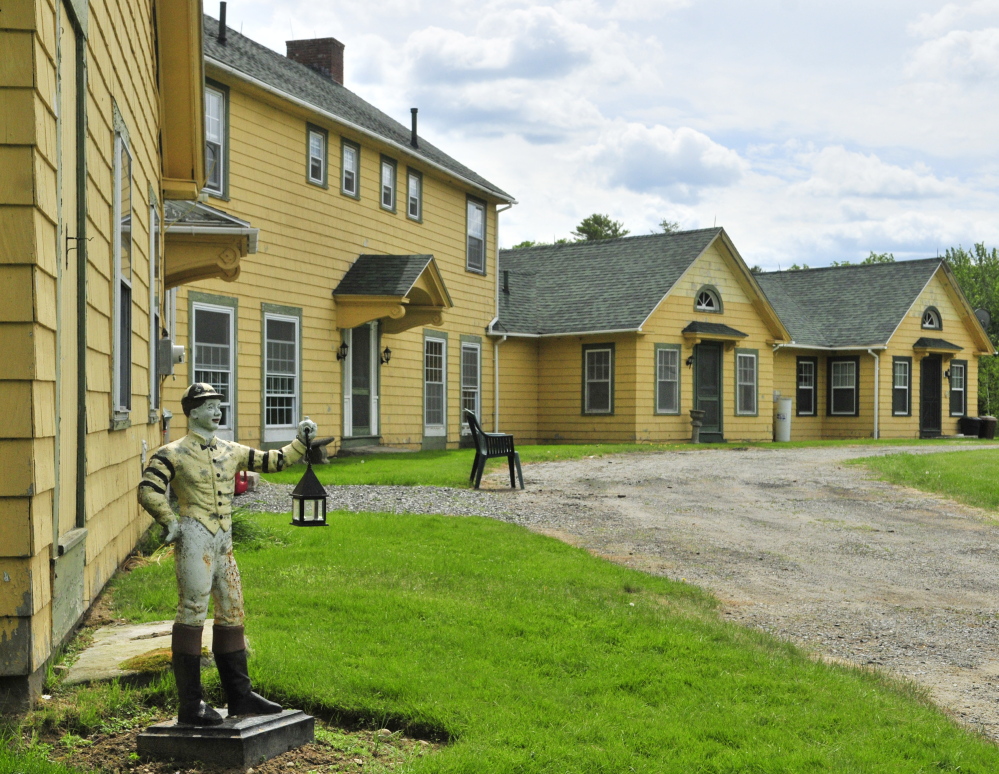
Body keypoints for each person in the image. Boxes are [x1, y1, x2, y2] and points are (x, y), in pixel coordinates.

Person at [138, 383, 318, 726]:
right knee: (193, 610)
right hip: (195, 536)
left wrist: (300, 440)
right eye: (209, 406)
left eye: (219, 406)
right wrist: (169, 520)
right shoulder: (172, 453)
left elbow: (272, 461)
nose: (217, 412)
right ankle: (191, 704)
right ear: (192, 412)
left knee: (233, 609)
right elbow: (149, 489)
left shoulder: (230, 450)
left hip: (224, 541)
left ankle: (240, 695)